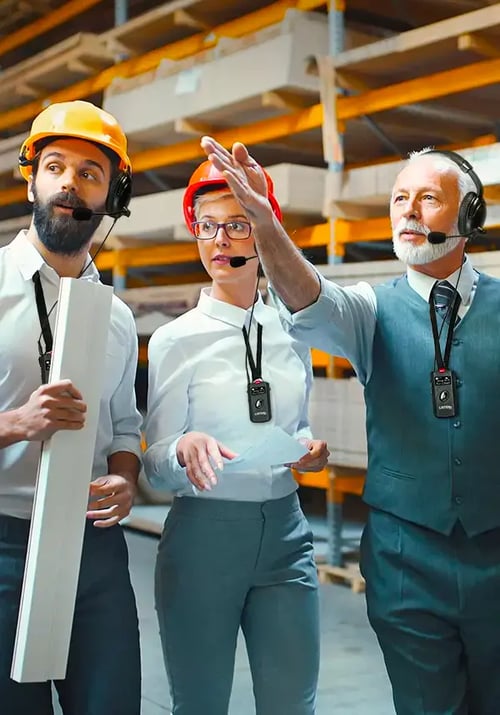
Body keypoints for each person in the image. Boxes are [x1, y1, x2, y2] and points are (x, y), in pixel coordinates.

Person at [199, 136, 500, 715]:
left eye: (428, 199)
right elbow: (310, 300)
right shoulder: (369, 309)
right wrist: (263, 221)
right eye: (398, 198)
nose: (408, 211)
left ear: (469, 216)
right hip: (407, 562)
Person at [144, 159, 329, 715]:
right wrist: (181, 448)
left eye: (237, 223)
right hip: (204, 539)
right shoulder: (177, 339)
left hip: (287, 537)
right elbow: (153, 460)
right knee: (199, 705)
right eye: (206, 224)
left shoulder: (295, 328)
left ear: (264, 227)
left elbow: (297, 426)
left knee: (292, 704)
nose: (219, 240)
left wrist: (310, 449)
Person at [0, 100, 142, 714]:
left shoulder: (116, 316)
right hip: (4, 545)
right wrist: (17, 424)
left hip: (95, 548)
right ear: (31, 178)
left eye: (91, 173)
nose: (70, 184)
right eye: (56, 166)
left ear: (111, 197)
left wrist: (125, 477)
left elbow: (126, 426)